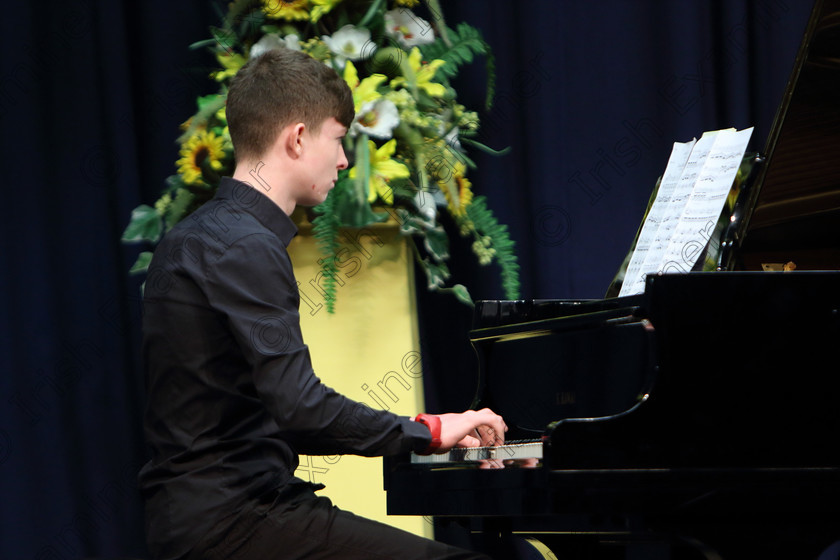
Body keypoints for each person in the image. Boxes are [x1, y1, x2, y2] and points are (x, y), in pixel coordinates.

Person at [138, 47, 508, 560]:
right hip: (233, 520)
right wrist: (430, 430)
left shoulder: (192, 236)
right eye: (337, 140)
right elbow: (301, 410)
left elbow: (278, 412)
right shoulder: (245, 245)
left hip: (201, 515)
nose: (341, 159)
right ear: (296, 138)